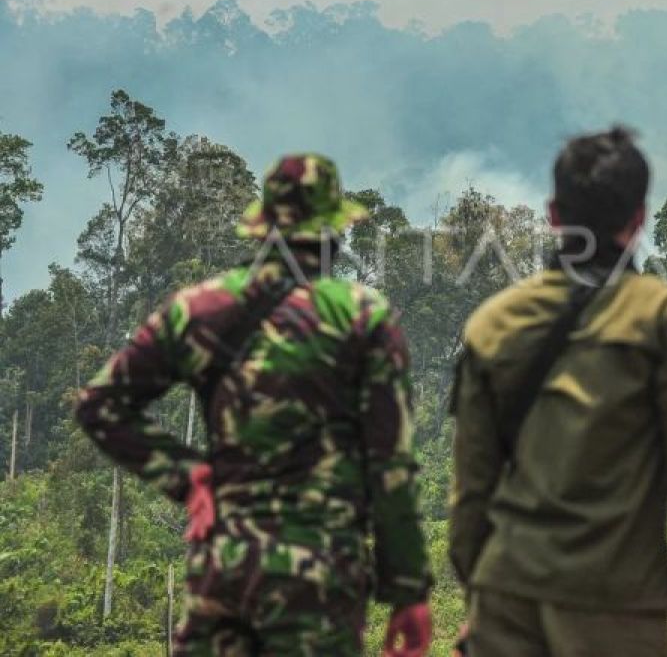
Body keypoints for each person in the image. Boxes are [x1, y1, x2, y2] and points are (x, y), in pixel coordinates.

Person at [75, 154, 433, 657]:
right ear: (334, 233)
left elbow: (101, 405)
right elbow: (390, 465)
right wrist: (408, 590)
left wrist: (189, 476)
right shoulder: (362, 318)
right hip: (320, 576)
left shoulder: (199, 309)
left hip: (224, 566)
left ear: (262, 228)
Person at [449, 126, 667, 657]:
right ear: (639, 218)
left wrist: (479, 593)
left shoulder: (492, 323)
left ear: (554, 215)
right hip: (617, 602)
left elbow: (471, 486)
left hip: (506, 593)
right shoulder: (663, 316)